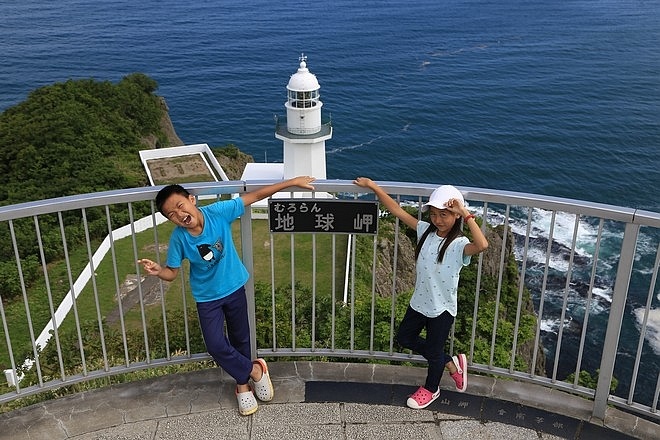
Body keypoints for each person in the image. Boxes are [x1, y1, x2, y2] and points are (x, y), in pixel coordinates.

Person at [137, 176, 316, 416]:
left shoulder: (218, 212)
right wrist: (158, 271)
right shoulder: (179, 238)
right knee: (215, 344)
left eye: (181, 206)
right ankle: (255, 372)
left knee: (240, 337)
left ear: (192, 200)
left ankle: (242, 387)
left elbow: (255, 196)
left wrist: (290, 182)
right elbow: (171, 273)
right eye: (171, 214)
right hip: (206, 297)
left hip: (233, 287)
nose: (179, 215)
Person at [353, 177, 488, 409]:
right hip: (419, 303)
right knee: (405, 338)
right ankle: (451, 363)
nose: (437, 220)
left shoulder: (459, 244)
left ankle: (431, 389)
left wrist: (464, 211)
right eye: (434, 214)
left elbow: (483, 244)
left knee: (434, 353)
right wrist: (374, 187)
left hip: (442, 309)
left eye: (444, 214)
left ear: (455, 215)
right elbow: (396, 210)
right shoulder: (425, 231)